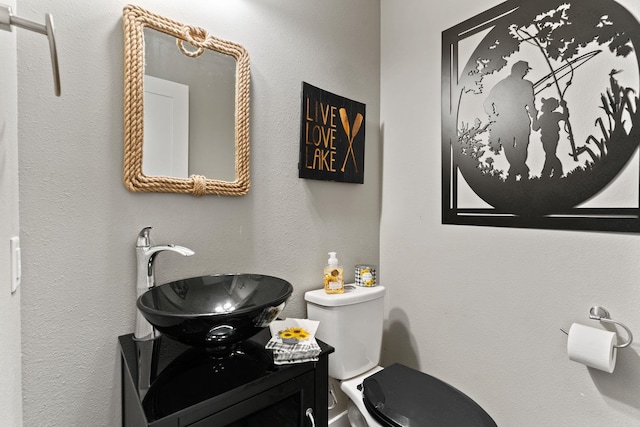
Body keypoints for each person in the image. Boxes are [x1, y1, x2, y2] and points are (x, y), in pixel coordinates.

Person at [484, 60, 539, 181]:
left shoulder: (527, 84)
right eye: (525, 70)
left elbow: (531, 103)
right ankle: (521, 170)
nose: (525, 72)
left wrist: (535, 118)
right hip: (506, 120)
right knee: (508, 146)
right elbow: (488, 102)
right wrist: (493, 115)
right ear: (518, 70)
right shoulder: (502, 85)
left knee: (522, 146)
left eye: (526, 70)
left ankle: (514, 172)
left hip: (521, 119)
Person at [534, 97, 567, 179]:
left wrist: (564, 107)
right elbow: (535, 128)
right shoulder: (542, 117)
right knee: (550, 154)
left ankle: (549, 172)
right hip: (544, 137)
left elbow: (565, 116)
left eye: (545, 104)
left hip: (552, 136)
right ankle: (551, 172)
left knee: (550, 154)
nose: (543, 106)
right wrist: (534, 117)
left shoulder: (555, 115)